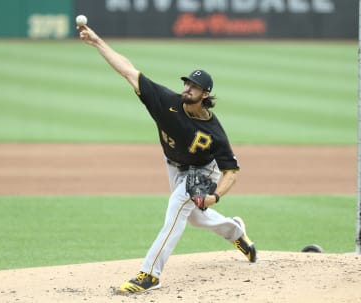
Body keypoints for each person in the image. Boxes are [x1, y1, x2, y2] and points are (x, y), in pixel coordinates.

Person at [77, 25, 257, 293]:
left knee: (176, 209)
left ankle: (150, 274)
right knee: (195, 218)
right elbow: (128, 70)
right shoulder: (166, 102)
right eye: (186, 83)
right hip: (173, 165)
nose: (187, 89)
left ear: (205, 95)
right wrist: (97, 41)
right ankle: (236, 232)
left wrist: (214, 196)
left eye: (194, 87)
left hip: (204, 171)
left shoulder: (214, 132)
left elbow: (231, 172)